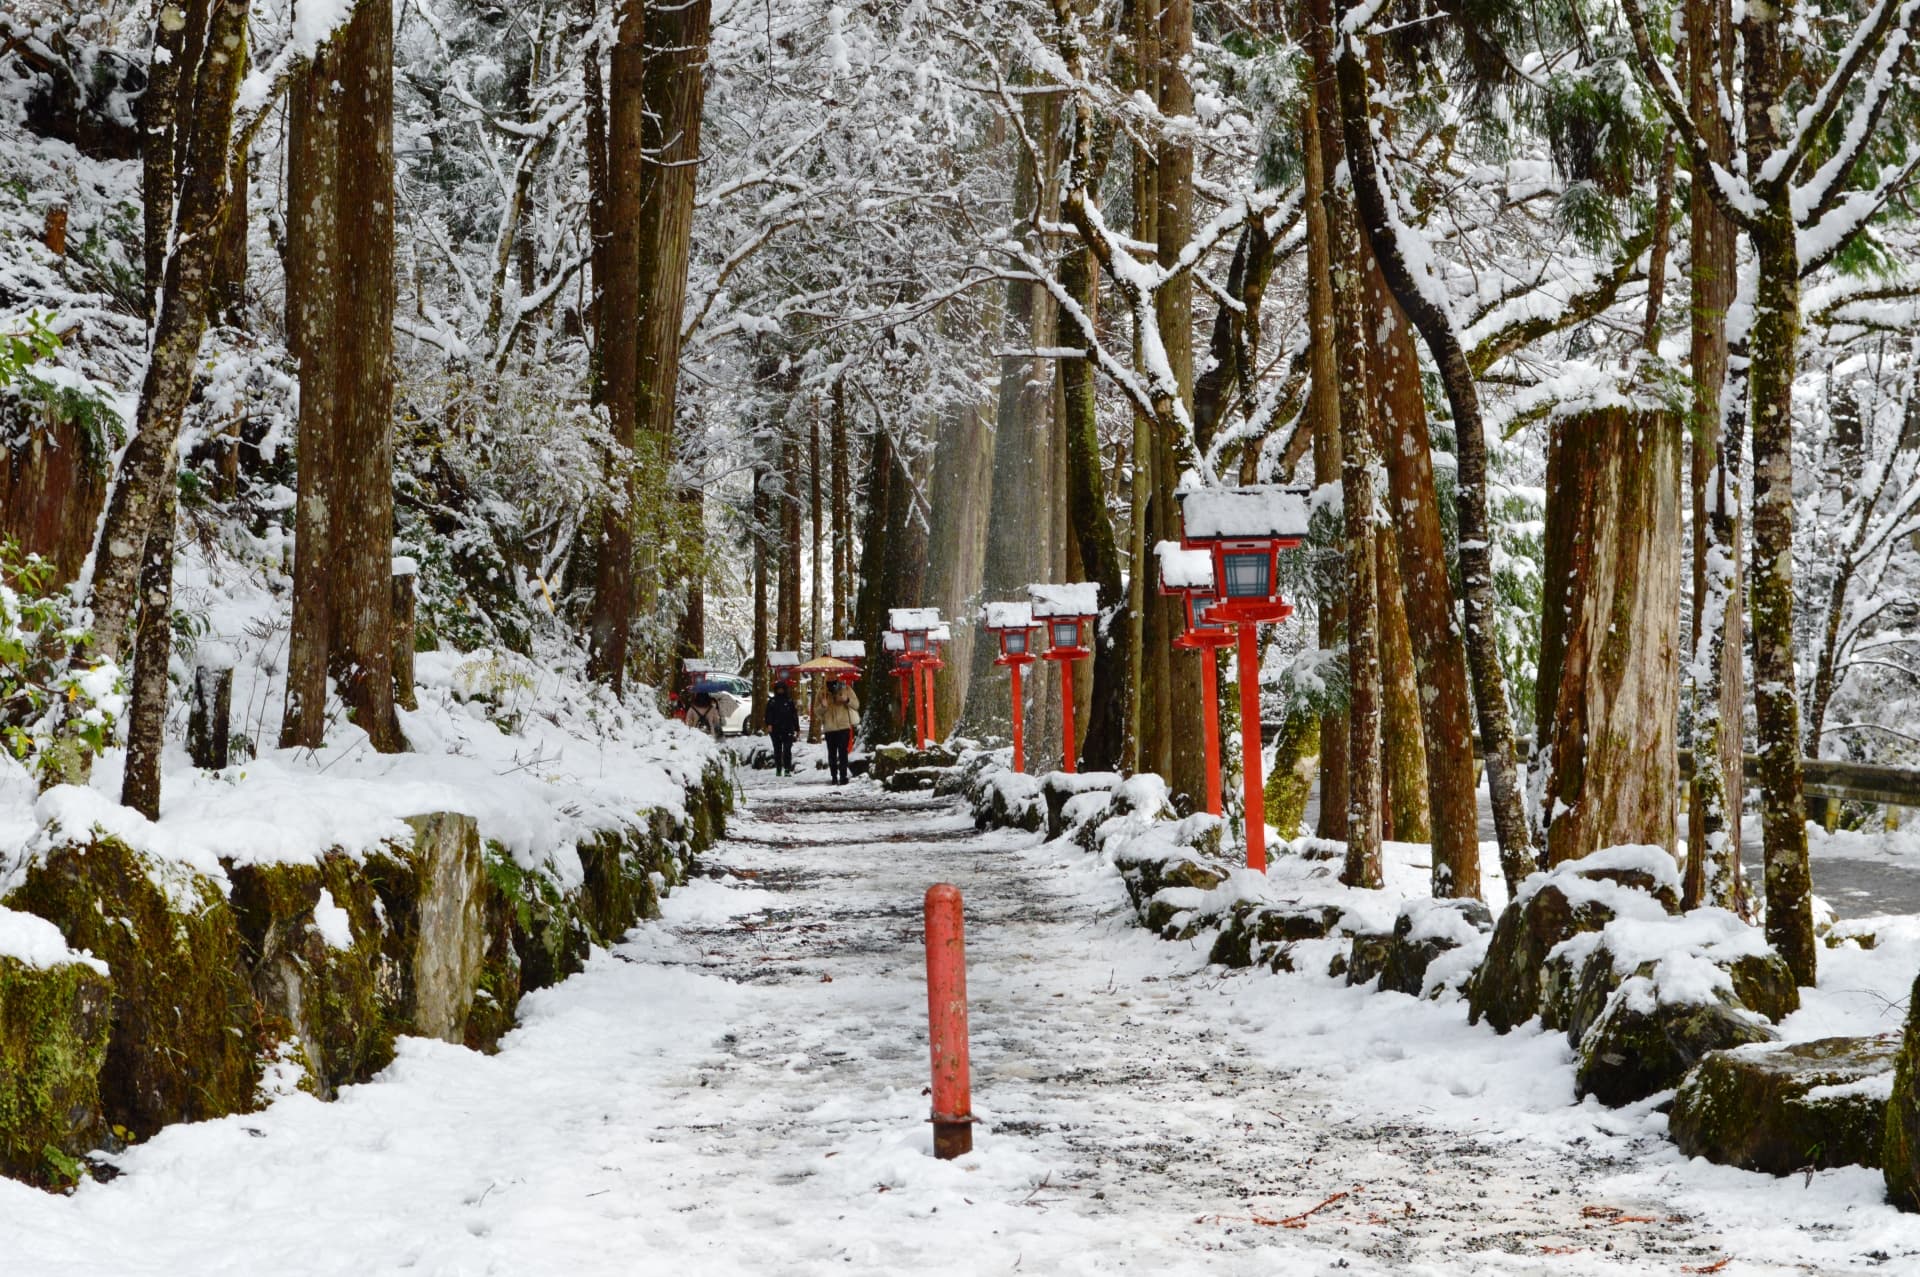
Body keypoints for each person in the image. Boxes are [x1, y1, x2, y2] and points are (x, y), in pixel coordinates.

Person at [813, 677, 860, 785]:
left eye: (833, 673)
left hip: (844, 726)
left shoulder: (846, 689)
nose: (831, 674)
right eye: (829, 673)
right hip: (830, 728)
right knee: (832, 754)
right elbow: (817, 711)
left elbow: (856, 704)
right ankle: (834, 776)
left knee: (843, 752)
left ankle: (843, 776)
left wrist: (846, 700)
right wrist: (823, 707)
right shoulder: (822, 692)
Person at [765, 682, 800, 777]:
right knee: (777, 750)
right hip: (775, 729)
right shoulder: (772, 701)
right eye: (778, 689)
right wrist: (769, 724)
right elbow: (768, 714)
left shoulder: (789, 701)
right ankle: (778, 769)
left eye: (782, 689)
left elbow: (794, 715)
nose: (780, 691)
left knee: (787, 749)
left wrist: (797, 728)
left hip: (788, 729)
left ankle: (787, 769)